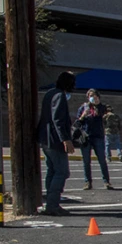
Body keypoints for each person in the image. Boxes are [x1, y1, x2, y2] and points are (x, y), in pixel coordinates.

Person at [37, 71, 77, 216]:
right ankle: (53, 204)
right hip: (55, 140)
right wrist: (66, 139)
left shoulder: (50, 93)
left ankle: (51, 203)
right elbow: (58, 120)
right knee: (62, 172)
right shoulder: (59, 96)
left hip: (45, 139)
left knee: (52, 171)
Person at [76, 89, 113, 190]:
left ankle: (106, 181)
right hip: (86, 137)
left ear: (98, 97)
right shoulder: (83, 107)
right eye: (90, 96)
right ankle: (87, 182)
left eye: (94, 96)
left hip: (98, 136)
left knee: (102, 160)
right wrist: (83, 116)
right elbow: (77, 123)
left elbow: (109, 116)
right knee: (86, 161)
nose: (92, 98)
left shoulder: (102, 107)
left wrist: (98, 107)